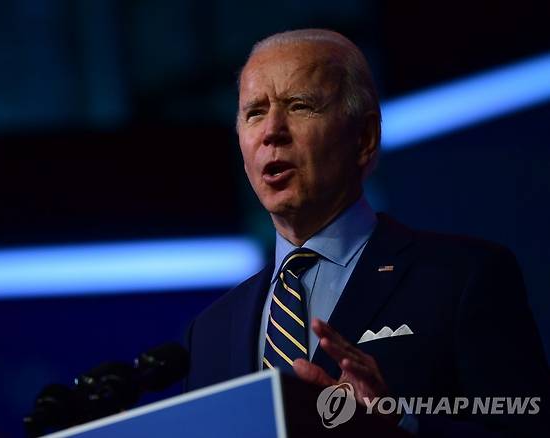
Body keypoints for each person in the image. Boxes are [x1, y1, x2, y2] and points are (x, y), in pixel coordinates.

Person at [184, 29, 549, 436]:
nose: (271, 131)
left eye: (300, 106)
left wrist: (398, 424)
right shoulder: (211, 332)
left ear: (364, 137)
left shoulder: (460, 279)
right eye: (254, 112)